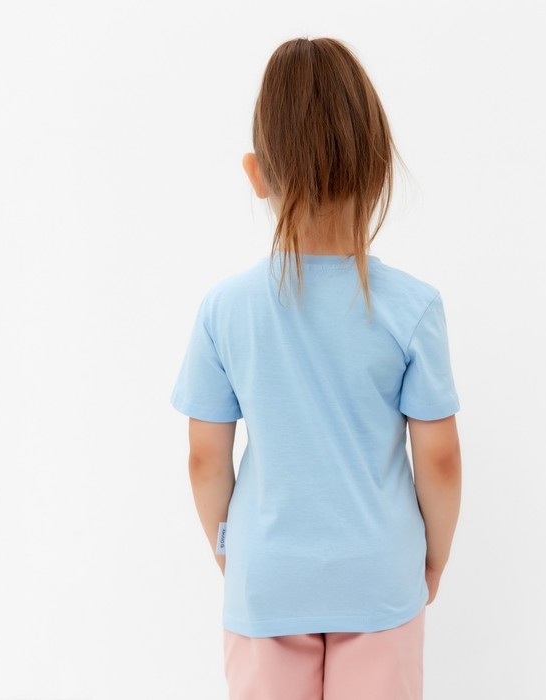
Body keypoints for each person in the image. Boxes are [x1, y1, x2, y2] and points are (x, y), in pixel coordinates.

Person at [170, 36, 462, 700]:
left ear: (256, 173)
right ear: (380, 169)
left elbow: (205, 460)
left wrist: (231, 550)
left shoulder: (225, 309)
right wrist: (433, 558)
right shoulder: (414, 309)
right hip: (380, 576)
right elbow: (440, 459)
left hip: (268, 578)